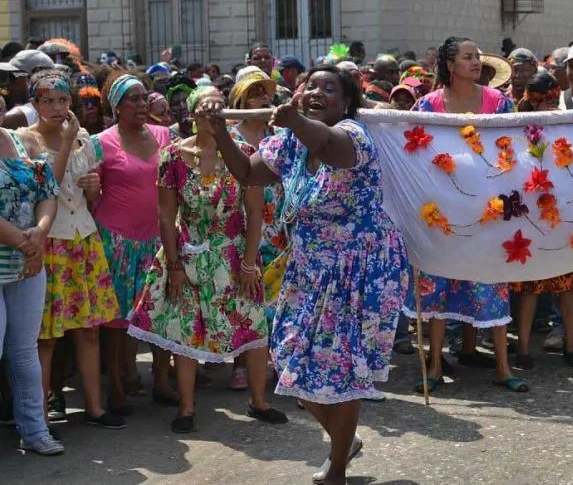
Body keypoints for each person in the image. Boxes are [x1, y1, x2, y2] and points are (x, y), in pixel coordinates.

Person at [207, 65, 409, 485]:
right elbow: (248, 174)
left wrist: (295, 118)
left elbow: (327, 142)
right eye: (310, 86)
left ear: (347, 102)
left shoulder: (352, 137)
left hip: (360, 271)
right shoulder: (289, 143)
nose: (317, 92)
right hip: (310, 267)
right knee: (288, 361)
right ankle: (343, 440)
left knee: (344, 369)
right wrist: (217, 130)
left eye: (329, 88)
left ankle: (336, 466)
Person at [128, 87, 286, 433]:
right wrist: (173, 266)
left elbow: (255, 213)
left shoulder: (244, 154)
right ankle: (186, 409)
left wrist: (248, 263)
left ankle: (259, 401)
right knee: (185, 332)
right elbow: (167, 216)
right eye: (205, 109)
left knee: (252, 326)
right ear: (192, 114)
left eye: (219, 109)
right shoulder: (172, 156)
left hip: (233, 253)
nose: (212, 116)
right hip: (187, 253)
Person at [402, 36, 528, 394]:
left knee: (493, 282)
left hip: (489, 207)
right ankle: (436, 366)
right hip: (443, 209)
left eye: (477, 57)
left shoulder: (499, 102)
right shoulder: (426, 105)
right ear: (450, 65)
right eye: (468, 57)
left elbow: (513, 145)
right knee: (438, 287)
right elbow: (412, 148)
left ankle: (504, 367)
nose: (476, 62)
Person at [27, 70, 124, 430]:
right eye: (48, 101)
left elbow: (90, 198)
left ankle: (95, 408)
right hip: (50, 242)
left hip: (84, 237)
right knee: (46, 336)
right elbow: (43, 188)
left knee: (88, 330)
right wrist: (66, 142)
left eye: (63, 100)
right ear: (35, 104)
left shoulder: (84, 138)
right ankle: (39, 416)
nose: (57, 107)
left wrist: (94, 185)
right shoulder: (27, 141)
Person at [92, 73, 177, 414]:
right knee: (115, 320)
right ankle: (116, 385)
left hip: (156, 239)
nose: (141, 105)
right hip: (116, 240)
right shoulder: (101, 142)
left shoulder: (163, 135)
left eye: (144, 98)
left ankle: (161, 380)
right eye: (133, 99)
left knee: (159, 312)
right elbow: (91, 192)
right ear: (116, 106)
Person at [511, 72, 573, 370]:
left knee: (566, 286)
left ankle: (564, 346)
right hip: (532, 212)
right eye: (538, 97)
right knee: (535, 287)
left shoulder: (564, 122)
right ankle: (526, 348)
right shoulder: (518, 123)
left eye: (546, 96)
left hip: (562, 209)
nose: (544, 103)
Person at [0, 105, 62, 454]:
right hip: (23, 255)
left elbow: (47, 194)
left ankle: (35, 431)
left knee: (24, 352)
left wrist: (40, 232)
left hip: (28, 264)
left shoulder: (21, 141)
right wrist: (28, 243)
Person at [225, 68, 285, 391]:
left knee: (272, 296)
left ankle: (271, 358)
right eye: (254, 93)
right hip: (241, 222)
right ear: (241, 99)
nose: (262, 98)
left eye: (265, 92)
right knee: (242, 296)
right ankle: (240, 363)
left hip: (276, 225)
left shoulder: (278, 135)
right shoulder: (230, 137)